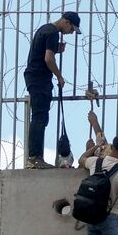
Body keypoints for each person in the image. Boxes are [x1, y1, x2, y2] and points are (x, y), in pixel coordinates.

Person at [23, 11, 80, 169]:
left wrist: (55, 49)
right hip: (39, 79)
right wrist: (60, 76)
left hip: (35, 77)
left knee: (40, 117)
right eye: (72, 28)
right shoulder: (53, 32)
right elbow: (48, 59)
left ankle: (35, 158)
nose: (71, 32)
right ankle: (34, 158)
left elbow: (44, 53)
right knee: (40, 118)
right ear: (66, 22)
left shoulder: (45, 29)